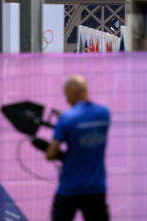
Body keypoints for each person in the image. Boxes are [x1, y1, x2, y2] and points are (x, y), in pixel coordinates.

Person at [44, 74, 110, 221]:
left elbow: (50, 154)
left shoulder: (67, 118)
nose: (66, 100)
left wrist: (43, 146)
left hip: (70, 188)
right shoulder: (104, 114)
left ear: (74, 90)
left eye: (66, 95)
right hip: (96, 188)